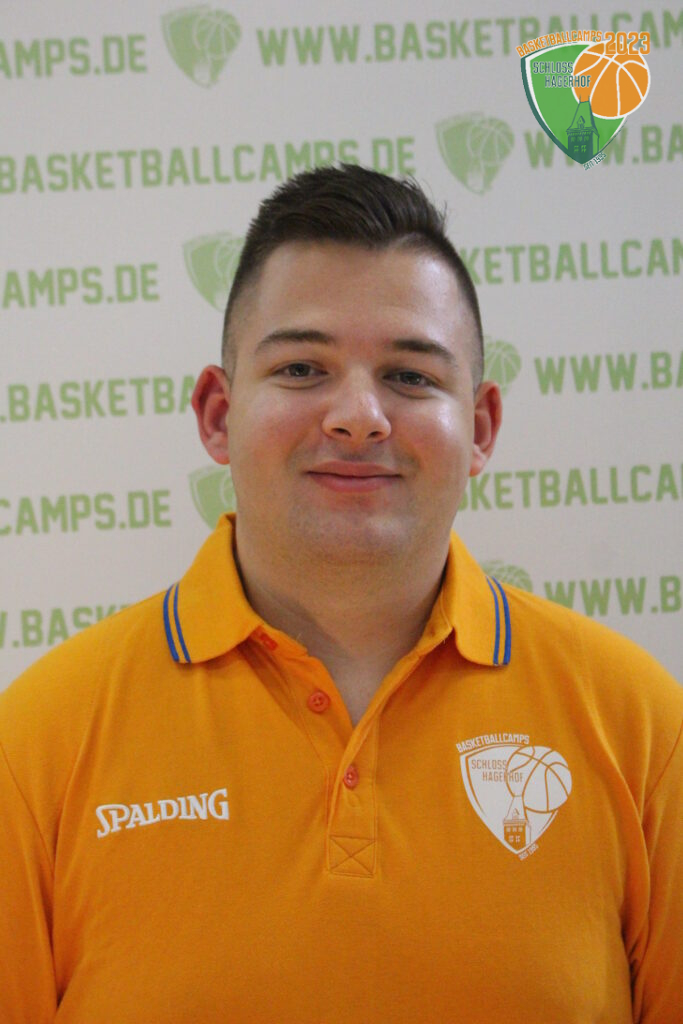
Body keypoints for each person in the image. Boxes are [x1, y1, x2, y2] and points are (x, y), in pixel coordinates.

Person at [0, 165, 680, 1024]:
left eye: (410, 377)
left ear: (479, 428)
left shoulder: (639, 727)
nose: (358, 416)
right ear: (217, 414)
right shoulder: (38, 745)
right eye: (301, 368)